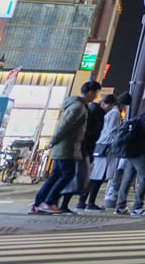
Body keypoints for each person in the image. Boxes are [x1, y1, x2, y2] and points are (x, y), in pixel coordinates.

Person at [30, 81, 98, 214]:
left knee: (56, 175)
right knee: (68, 173)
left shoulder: (75, 105)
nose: (95, 97)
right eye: (95, 93)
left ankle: (38, 203)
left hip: (64, 146)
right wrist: (54, 141)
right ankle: (49, 201)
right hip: (68, 147)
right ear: (90, 92)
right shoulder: (78, 107)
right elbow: (65, 125)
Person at [107, 93, 145, 215]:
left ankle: (120, 206)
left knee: (128, 178)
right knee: (144, 178)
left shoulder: (142, 112)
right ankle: (138, 207)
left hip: (132, 149)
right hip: (142, 150)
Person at [84, 92, 127, 210]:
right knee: (98, 176)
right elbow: (112, 131)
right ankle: (89, 202)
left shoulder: (110, 113)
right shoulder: (115, 113)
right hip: (106, 147)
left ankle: (84, 201)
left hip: (101, 145)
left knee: (95, 175)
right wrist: (120, 139)